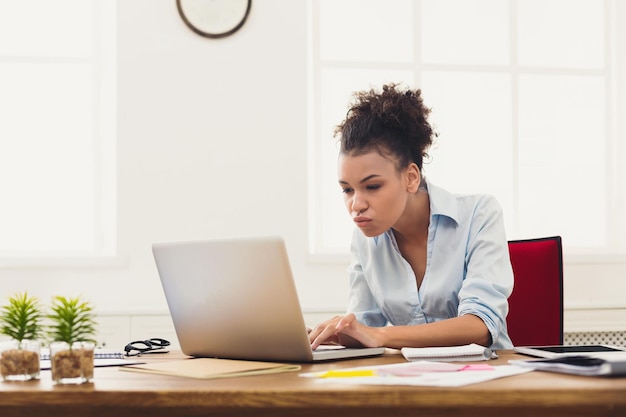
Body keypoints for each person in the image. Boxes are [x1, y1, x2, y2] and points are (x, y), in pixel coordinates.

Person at [308, 83, 513, 351]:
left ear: (411, 177)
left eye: (372, 186)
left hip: (486, 379)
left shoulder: (479, 214)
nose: (356, 205)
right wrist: (334, 333)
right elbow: (365, 326)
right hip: (411, 381)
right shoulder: (364, 241)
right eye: (347, 189)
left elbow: (481, 327)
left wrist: (382, 336)